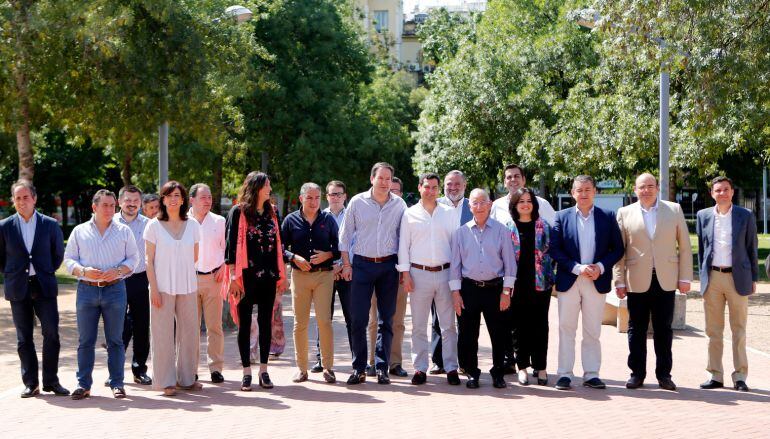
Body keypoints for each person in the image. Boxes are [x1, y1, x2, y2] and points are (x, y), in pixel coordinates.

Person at [614, 173, 693, 391]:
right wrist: (619, 280)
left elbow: (685, 247)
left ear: (657, 188)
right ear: (635, 189)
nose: (646, 190)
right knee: (635, 329)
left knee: (663, 330)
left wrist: (685, 278)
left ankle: (664, 375)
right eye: (642, 187)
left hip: (666, 280)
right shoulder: (624, 213)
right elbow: (619, 251)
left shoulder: (674, 210)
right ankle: (636, 374)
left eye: (650, 186)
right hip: (636, 280)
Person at [549, 176, 623, 390]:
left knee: (592, 330)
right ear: (573, 193)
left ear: (595, 192)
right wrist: (577, 267)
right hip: (570, 279)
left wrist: (600, 266)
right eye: (579, 190)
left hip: (596, 280)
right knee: (566, 328)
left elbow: (617, 249)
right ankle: (564, 374)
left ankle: (591, 373)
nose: (583, 194)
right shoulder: (561, 217)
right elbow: (555, 249)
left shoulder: (607, 217)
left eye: (587, 189)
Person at [63, 189, 139, 400]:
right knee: (85, 340)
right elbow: (69, 259)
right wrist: (82, 271)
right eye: (104, 205)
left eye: (112, 206)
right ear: (94, 207)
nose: (109, 209)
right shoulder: (79, 231)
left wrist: (118, 271)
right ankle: (83, 384)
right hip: (86, 290)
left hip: (115, 290)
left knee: (115, 340)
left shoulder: (124, 231)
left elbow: (134, 259)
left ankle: (117, 383)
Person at [339, 162, 407, 385]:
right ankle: (359, 368)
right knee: (358, 319)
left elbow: (405, 239)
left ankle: (381, 367)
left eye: (389, 179)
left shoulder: (399, 205)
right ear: (372, 179)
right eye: (381, 178)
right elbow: (345, 235)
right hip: (361, 266)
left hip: (388, 267)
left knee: (387, 320)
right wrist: (346, 264)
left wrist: (404, 270)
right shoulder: (357, 202)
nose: (385, 183)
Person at [0, 180, 68, 398]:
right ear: (13, 201)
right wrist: (14, 272)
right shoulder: (4, 227)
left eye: (25, 197)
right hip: (18, 287)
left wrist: (44, 271)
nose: (22, 201)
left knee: (51, 334)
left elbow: (57, 255)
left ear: (34, 198)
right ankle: (31, 383)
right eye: (17, 198)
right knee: (23, 338)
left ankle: (51, 381)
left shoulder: (49, 224)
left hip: (44, 286)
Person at [223, 171, 287, 391]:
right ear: (257, 187)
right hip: (245, 277)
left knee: (265, 322)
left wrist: (282, 274)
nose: (270, 189)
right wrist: (232, 277)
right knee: (244, 324)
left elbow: (279, 244)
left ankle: (264, 370)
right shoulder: (238, 212)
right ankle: (246, 372)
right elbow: (230, 247)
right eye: (267, 185)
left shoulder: (272, 213)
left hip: (269, 276)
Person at [397, 173, 460, 385]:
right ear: (420, 187)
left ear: (439, 189)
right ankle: (420, 368)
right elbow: (403, 246)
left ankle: (451, 367)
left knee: (448, 325)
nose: (431, 191)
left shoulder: (449, 213)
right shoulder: (409, 214)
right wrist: (405, 275)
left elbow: (456, 246)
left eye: (435, 187)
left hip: (445, 273)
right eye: (427, 187)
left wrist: (455, 278)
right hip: (418, 274)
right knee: (418, 325)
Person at [450, 188, 516, 389]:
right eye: (475, 203)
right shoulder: (460, 233)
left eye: (483, 202)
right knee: (468, 335)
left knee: (499, 334)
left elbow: (510, 264)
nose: (479, 207)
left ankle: (498, 372)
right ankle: (472, 372)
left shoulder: (502, 231)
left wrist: (506, 292)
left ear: (490, 205)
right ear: (469, 207)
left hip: (494, 289)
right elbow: (455, 266)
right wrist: (455, 294)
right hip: (469, 289)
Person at [696, 176, 757, 392]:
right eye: (717, 190)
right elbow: (702, 251)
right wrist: (703, 277)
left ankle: (740, 376)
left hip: (738, 278)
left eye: (725, 189)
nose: (722, 193)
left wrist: (754, 279)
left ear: (732, 192)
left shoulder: (745, 215)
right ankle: (715, 375)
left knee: (738, 330)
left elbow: (752, 248)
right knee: (713, 330)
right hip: (712, 278)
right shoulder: (702, 216)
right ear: (712, 194)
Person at [145, 181, 201, 396]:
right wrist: (154, 288)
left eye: (177, 195)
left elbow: (195, 256)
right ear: (163, 199)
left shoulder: (193, 225)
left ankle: (187, 379)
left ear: (183, 198)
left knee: (189, 333)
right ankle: (165, 381)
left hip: (187, 286)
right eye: (169, 195)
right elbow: (148, 261)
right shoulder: (154, 226)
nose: (173, 199)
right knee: (162, 334)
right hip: (162, 287)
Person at [281, 182, 340, 384]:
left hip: (324, 276)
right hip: (300, 276)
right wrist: (293, 257)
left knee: (324, 321)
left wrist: (328, 255)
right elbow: (279, 247)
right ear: (301, 199)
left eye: (317, 198)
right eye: (310, 198)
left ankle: (328, 367)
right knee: (300, 323)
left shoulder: (328, 219)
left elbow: (340, 248)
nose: (314, 202)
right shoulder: (290, 220)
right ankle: (301, 368)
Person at [504, 187, 555, 386]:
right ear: (515, 205)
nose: (525, 204)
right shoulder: (508, 228)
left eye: (529, 201)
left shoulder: (545, 226)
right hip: (516, 285)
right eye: (521, 201)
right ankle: (522, 367)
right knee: (518, 327)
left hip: (540, 285)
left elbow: (552, 254)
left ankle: (541, 367)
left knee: (540, 327)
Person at [366, 177, 409, 378]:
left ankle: (395, 362)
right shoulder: (372, 210)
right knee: (375, 320)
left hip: (399, 272)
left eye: (397, 190)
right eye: (390, 189)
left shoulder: (406, 213)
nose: (393, 192)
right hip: (376, 271)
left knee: (397, 320)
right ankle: (373, 361)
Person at [430, 170, 473, 375]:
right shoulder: (434, 205)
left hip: (467, 271)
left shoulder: (473, 206)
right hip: (441, 268)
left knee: (465, 317)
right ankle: (438, 360)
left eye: (457, 184)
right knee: (439, 318)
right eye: (449, 184)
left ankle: (464, 361)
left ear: (464, 186)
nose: (453, 188)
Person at [309, 180, 352, 374]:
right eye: (331, 194)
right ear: (326, 197)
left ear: (345, 196)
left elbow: (355, 244)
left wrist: (343, 266)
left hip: (348, 273)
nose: (335, 197)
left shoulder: (352, 215)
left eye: (339, 194)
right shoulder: (319, 218)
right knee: (323, 318)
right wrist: (332, 266)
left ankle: (357, 357)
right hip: (325, 274)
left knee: (353, 318)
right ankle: (321, 359)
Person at [114, 185, 152, 386]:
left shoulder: (149, 224)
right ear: (120, 202)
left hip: (141, 279)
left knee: (141, 326)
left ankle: (139, 369)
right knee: (116, 327)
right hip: (116, 280)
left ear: (140, 203)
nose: (131, 204)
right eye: (127, 200)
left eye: (135, 200)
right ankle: (115, 370)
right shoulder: (109, 223)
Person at [189, 183, 227, 384]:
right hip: (189, 280)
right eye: (203, 197)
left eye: (210, 197)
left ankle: (216, 368)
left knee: (215, 326)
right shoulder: (183, 221)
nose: (208, 200)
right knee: (191, 327)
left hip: (214, 278)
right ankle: (190, 368)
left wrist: (223, 267)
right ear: (191, 200)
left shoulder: (219, 221)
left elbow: (226, 248)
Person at [491, 164, 556, 228]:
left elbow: (555, 228)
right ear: (505, 183)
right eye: (509, 177)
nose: (513, 179)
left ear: (523, 180)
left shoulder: (541, 203)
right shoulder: (496, 206)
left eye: (517, 176)